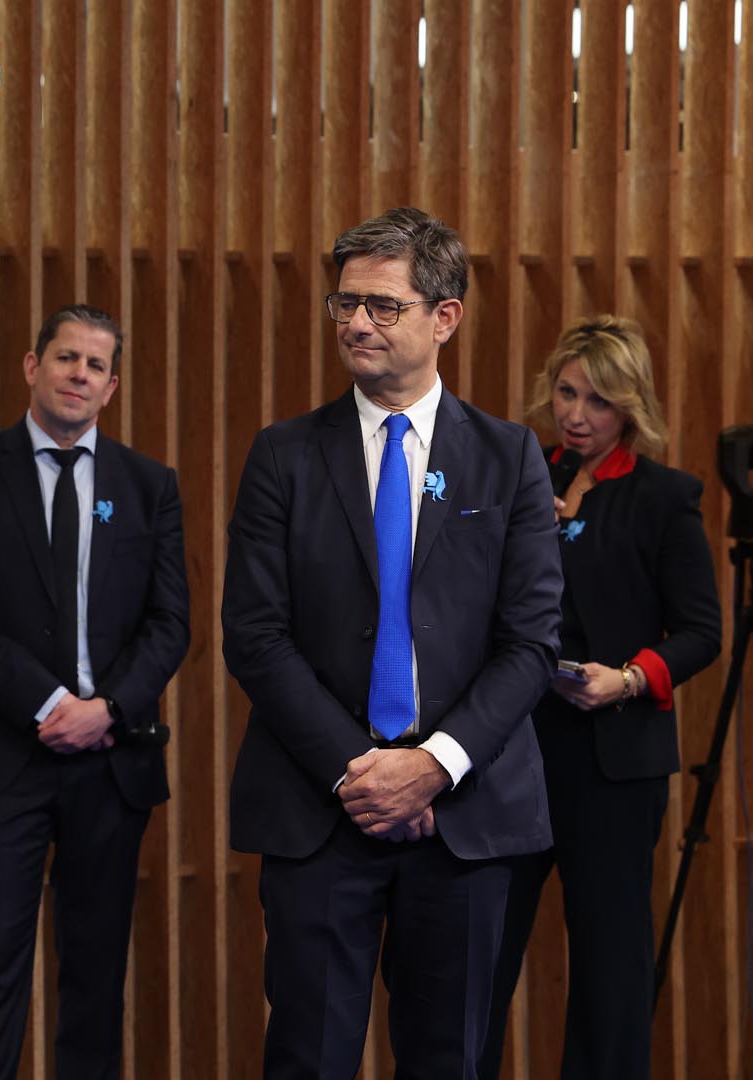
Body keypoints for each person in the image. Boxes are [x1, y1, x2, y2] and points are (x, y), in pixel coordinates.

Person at [222, 207, 564, 1077]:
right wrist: (361, 772)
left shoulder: (509, 457)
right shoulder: (284, 455)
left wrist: (433, 766)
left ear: (445, 317)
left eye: (383, 305)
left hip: (464, 815)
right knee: (309, 1058)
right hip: (320, 808)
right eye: (345, 304)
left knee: (449, 1058)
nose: (357, 323)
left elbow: (530, 643)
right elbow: (254, 635)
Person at [0, 304, 191, 1080]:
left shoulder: (150, 485)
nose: (80, 374)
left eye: (96, 365)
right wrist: (50, 706)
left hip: (111, 760)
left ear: (111, 388)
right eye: (67, 357)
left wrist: (106, 709)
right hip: (3, 756)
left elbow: (171, 622)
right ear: (32, 367)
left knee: (96, 977)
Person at [480, 316, 721, 1079]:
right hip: (515, 752)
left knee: (610, 965)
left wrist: (630, 677)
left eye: (599, 401)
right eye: (566, 393)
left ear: (630, 407)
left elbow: (701, 631)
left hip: (612, 761)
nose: (576, 415)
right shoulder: (520, 481)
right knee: (481, 950)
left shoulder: (664, 498)